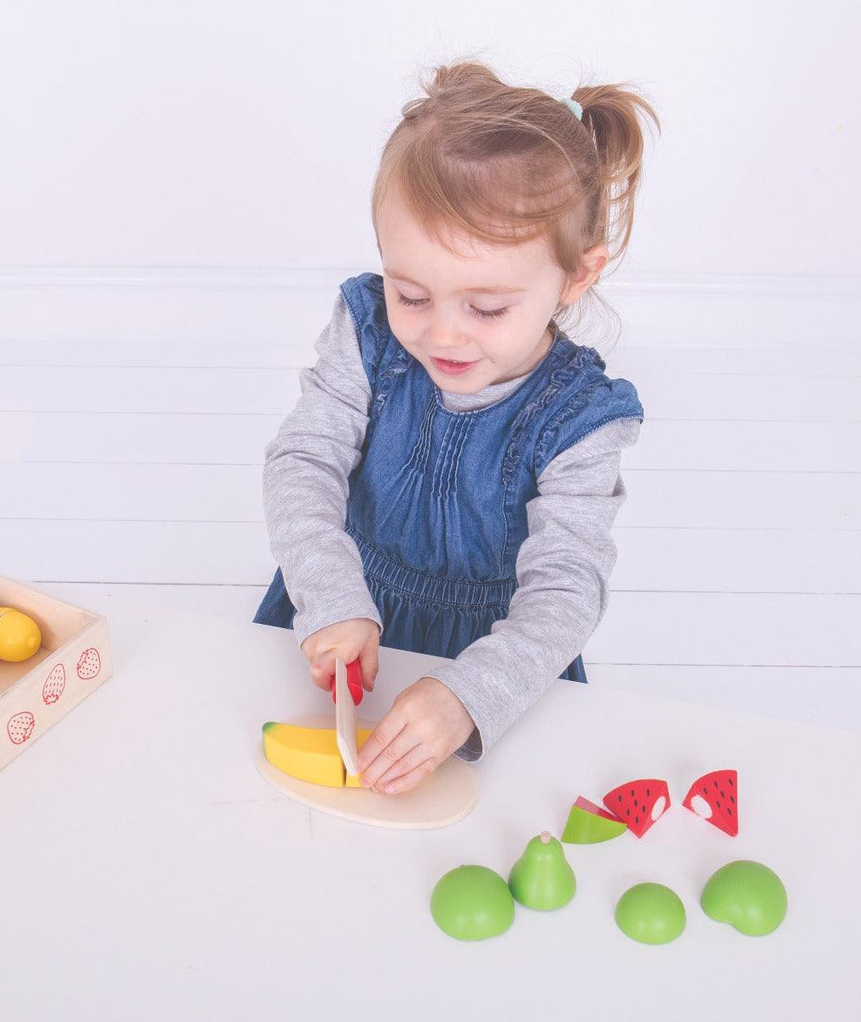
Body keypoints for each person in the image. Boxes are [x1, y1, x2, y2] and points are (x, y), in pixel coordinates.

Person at [253, 60, 661, 794]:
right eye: (411, 293)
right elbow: (302, 460)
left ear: (576, 276)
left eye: (487, 308)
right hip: (345, 614)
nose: (444, 334)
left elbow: (566, 590)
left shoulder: (581, 419)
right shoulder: (369, 330)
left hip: (494, 665)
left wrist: (468, 697)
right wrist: (329, 592)